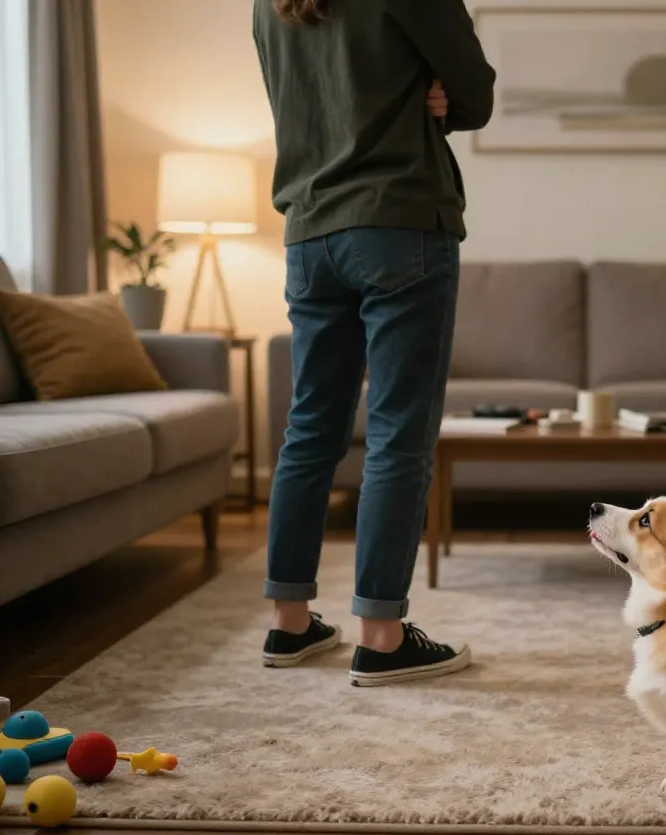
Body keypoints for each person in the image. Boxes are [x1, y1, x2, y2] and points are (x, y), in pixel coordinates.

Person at [252, 0, 495, 685]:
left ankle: (289, 626)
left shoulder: (269, 4)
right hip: (399, 220)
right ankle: (382, 638)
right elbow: (474, 93)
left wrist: (440, 94)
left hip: (309, 231)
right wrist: (439, 95)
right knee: (399, 435)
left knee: (310, 431)